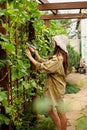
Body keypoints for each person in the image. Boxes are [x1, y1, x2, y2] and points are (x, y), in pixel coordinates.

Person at [25, 35, 69, 130]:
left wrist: (29, 57)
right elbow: (46, 63)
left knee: (61, 112)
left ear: (58, 44)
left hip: (56, 88)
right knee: (49, 108)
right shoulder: (58, 57)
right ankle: (59, 127)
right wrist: (36, 54)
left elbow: (43, 67)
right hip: (53, 87)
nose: (53, 43)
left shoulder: (58, 59)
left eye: (54, 41)